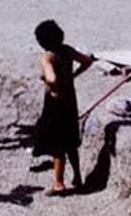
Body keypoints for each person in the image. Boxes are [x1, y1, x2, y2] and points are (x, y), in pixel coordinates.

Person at [32, 20, 96, 195]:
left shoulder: (48, 57)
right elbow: (87, 61)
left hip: (55, 101)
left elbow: (51, 78)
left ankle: (58, 183)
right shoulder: (67, 50)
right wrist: (73, 75)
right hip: (70, 98)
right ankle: (77, 177)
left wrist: (51, 85)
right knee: (71, 139)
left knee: (57, 141)